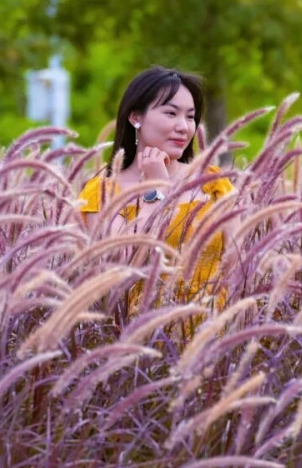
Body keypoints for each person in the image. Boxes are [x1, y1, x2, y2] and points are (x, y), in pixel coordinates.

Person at [78, 65, 235, 310]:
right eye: (171, 113)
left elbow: (239, 265)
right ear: (135, 117)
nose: (183, 126)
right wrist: (156, 188)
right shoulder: (101, 193)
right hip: (139, 336)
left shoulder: (212, 183)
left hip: (213, 333)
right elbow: (125, 263)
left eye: (190, 116)